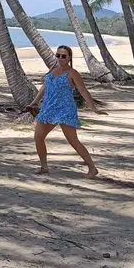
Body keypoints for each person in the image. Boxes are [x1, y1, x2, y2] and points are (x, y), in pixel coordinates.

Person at [27, 45, 105, 177]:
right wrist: (34, 102)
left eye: (64, 56)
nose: (60, 58)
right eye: (58, 55)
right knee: (38, 137)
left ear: (69, 58)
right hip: (48, 108)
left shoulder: (72, 73)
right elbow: (44, 88)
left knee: (73, 141)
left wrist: (93, 107)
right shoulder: (53, 69)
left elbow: (83, 91)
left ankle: (92, 168)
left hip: (65, 109)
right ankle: (44, 167)